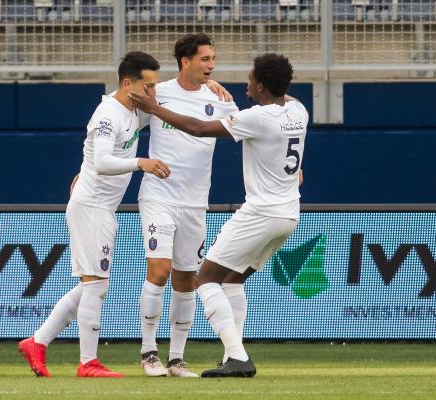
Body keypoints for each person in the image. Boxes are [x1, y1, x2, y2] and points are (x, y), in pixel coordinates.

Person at [130, 53, 307, 378]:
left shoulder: (258, 117)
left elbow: (198, 128)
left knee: (205, 278)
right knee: (234, 279)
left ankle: (238, 357)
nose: (246, 83)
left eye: (252, 78)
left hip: (261, 213)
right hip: (289, 215)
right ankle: (232, 355)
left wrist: (155, 109)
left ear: (263, 84)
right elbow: (285, 95)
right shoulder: (298, 110)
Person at [18, 51, 169, 378]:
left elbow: (171, 98)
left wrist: (207, 84)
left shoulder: (133, 108)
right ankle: (88, 363)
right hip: (91, 208)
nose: (153, 94)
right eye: (149, 87)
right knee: (96, 285)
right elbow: (101, 161)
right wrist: (140, 163)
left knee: (91, 285)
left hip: (101, 208)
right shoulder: (107, 114)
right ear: (128, 84)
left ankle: (37, 342)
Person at [136, 33, 239, 377]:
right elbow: (119, 111)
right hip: (159, 195)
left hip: (195, 202)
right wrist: (89, 167)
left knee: (186, 279)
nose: (212, 65)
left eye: (213, 59)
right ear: (186, 61)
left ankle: (176, 359)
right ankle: (149, 353)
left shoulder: (220, 99)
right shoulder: (158, 92)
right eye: (206, 59)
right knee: (160, 271)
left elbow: (252, 133)